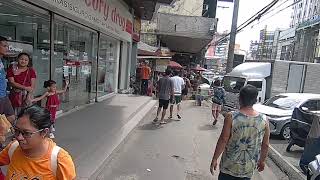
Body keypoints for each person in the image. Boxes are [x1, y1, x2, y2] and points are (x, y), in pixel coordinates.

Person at [210, 85, 270, 180]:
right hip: (247, 169)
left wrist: (215, 158)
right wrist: (262, 161)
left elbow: (223, 139)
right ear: (255, 100)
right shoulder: (264, 119)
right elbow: (265, 144)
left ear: (240, 99)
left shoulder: (231, 117)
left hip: (228, 166)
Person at [0, 105, 76, 179]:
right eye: (16, 131)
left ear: (44, 132)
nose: (19, 137)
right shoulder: (13, 148)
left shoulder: (60, 160)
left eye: (26, 133)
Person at [0, 36, 14, 124]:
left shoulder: (2, 61)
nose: (7, 48)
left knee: (12, 119)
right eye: (4, 46)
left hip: (4, 95)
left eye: (7, 46)